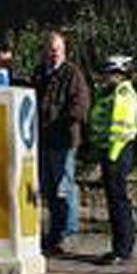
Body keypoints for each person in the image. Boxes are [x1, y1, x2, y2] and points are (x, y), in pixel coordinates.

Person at [33, 30, 91, 257]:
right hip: (43, 141)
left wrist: (60, 122)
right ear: (45, 51)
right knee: (49, 188)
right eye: (51, 49)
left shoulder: (72, 74)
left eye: (58, 49)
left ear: (64, 51)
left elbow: (81, 105)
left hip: (64, 140)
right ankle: (55, 233)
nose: (54, 53)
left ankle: (70, 233)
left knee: (64, 187)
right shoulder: (40, 73)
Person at [90, 53, 137, 267]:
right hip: (112, 152)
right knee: (116, 201)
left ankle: (122, 250)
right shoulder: (111, 92)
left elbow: (120, 129)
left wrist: (111, 157)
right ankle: (119, 248)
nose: (104, 76)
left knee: (118, 201)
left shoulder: (123, 94)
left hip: (117, 153)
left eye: (108, 73)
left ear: (119, 74)